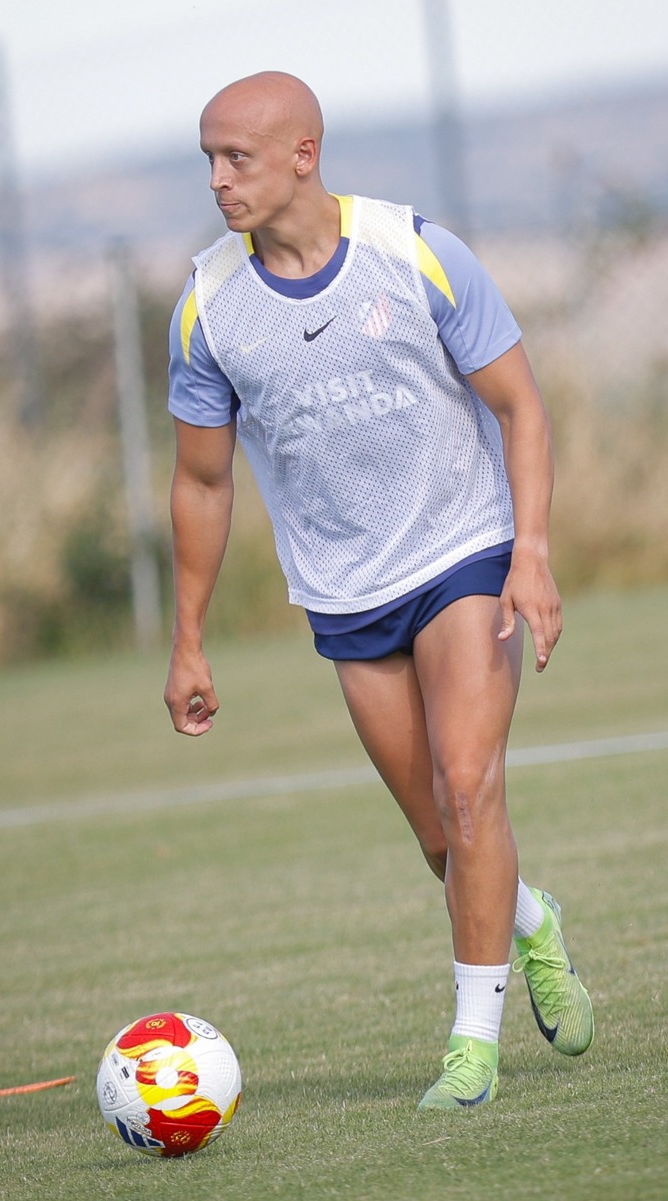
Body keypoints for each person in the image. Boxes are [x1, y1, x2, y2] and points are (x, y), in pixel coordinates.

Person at [164, 71, 593, 1110]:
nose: (218, 181)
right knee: (443, 839)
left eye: (240, 158)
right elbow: (202, 479)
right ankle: (532, 923)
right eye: (209, 159)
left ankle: (471, 1047)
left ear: (304, 155)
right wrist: (187, 639)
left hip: (463, 556)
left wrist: (529, 548)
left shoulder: (418, 254)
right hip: (347, 598)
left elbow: (520, 408)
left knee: (468, 782)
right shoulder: (209, 311)